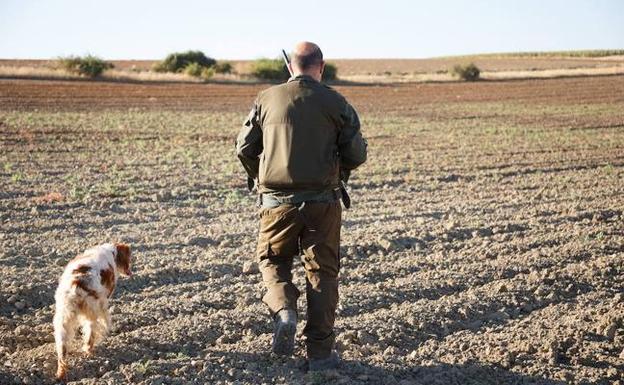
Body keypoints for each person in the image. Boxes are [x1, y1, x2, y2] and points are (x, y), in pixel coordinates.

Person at [236, 41, 367, 371]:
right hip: (323, 204)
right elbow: (357, 154)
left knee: (272, 259)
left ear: (290, 68)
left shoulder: (267, 99)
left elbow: (244, 148)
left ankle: (284, 311)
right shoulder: (336, 101)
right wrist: (338, 171)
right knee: (322, 272)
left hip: (276, 203)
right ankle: (320, 355)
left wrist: (260, 178)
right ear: (321, 68)